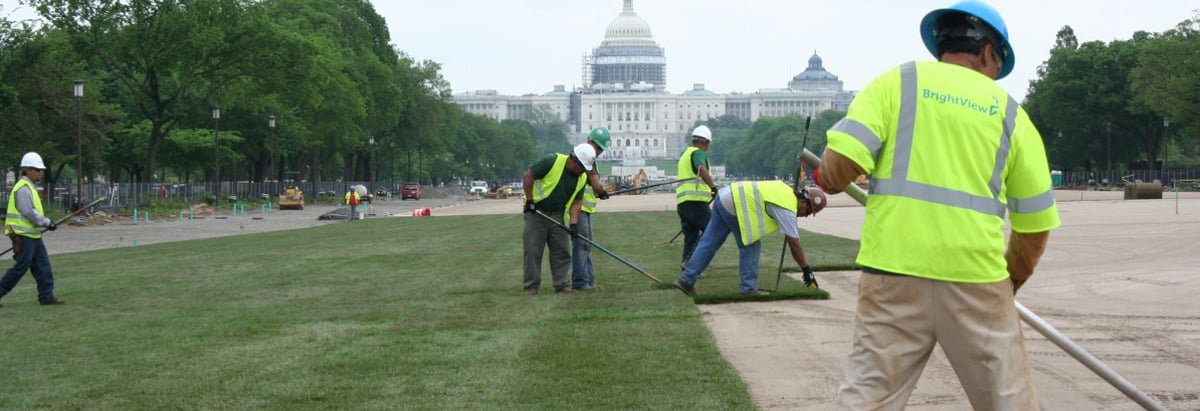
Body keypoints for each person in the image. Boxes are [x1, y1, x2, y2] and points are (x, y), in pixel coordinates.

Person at [812, 1, 1060, 408]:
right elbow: (1034, 227)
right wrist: (1009, 281)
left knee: (867, 399)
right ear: (986, 53)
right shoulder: (1012, 115)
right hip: (976, 279)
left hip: (892, 275)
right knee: (1009, 401)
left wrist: (823, 178)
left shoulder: (898, 83)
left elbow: (840, 168)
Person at [673, 180, 826, 296]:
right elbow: (793, 242)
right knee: (751, 244)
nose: (804, 216)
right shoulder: (788, 208)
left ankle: (687, 280)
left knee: (709, 242)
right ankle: (748, 289)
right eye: (807, 212)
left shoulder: (784, 191)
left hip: (725, 196)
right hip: (736, 204)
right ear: (803, 202)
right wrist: (807, 270)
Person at [522, 143, 599, 296]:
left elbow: (577, 203)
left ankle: (562, 285)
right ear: (573, 160)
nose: (582, 171)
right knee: (533, 251)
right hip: (537, 212)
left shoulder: (582, 177)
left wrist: (574, 224)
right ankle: (531, 287)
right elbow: (528, 176)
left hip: (558, 215)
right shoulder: (552, 161)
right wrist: (530, 201)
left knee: (562, 251)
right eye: (581, 167)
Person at [0, 152, 66, 307]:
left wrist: (44, 223)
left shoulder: (30, 187)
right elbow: (29, 212)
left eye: (40, 170)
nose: (40, 173)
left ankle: (46, 296)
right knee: (21, 267)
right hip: (22, 235)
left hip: (32, 234)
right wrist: (47, 222)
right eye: (37, 170)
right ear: (28, 169)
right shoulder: (23, 188)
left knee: (43, 266)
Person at [571, 128, 612, 292]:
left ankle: (589, 281)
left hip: (585, 208)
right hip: (579, 208)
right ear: (590, 141)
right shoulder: (587, 157)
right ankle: (581, 282)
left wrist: (600, 192)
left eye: (601, 148)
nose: (600, 151)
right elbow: (595, 185)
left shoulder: (587, 156)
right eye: (599, 147)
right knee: (581, 245)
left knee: (586, 245)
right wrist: (601, 192)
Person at [675, 125, 718, 268]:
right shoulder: (698, 153)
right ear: (705, 142)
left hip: (683, 204)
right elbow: (701, 168)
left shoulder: (685, 155)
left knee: (691, 237)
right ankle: (691, 260)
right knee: (712, 229)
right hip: (695, 202)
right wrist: (713, 187)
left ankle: (687, 267)